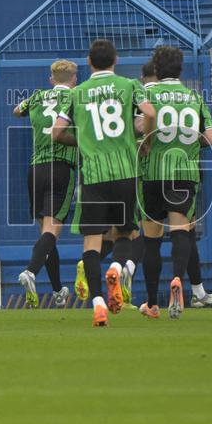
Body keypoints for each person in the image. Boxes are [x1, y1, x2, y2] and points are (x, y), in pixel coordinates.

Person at [52, 38, 157, 327]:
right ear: (116, 60)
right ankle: (116, 267)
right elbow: (149, 113)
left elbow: (57, 133)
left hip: (94, 176)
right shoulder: (129, 86)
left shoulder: (77, 93)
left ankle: (98, 303)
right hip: (125, 171)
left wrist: (83, 142)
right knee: (126, 235)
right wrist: (144, 139)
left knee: (92, 242)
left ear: (88, 62)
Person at [138, 45, 212, 320]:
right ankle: (177, 280)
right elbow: (211, 138)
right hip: (184, 172)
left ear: (156, 70)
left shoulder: (147, 93)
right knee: (182, 230)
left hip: (152, 172)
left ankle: (151, 302)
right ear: (180, 69)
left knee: (152, 239)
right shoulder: (194, 97)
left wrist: (147, 139)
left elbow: (138, 125)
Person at [13, 60, 78, 308]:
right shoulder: (76, 96)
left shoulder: (39, 96)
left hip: (36, 168)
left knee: (46, 233)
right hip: (61, 166)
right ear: (74, 79)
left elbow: (17, 111)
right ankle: (30, 271)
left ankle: (57, 290)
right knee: (52, 230)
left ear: (51, 79)